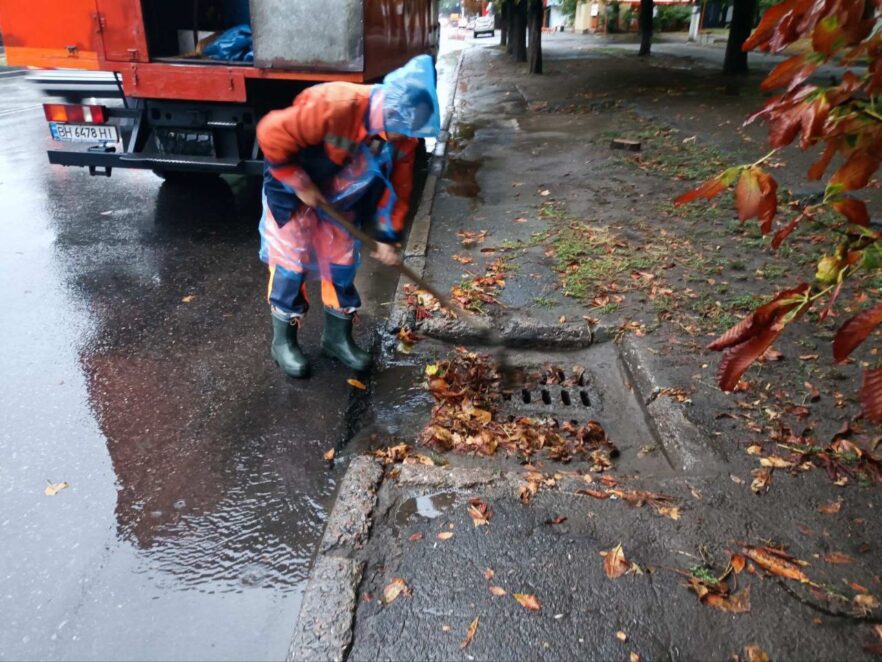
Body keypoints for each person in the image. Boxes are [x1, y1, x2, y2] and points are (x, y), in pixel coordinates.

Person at [256, 55, 440, 378]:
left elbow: (400, 187)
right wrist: (298, 182)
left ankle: (336, 339)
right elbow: (270, 132)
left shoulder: (402, 139)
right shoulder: (336, 104)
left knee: (341, 263)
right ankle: (283, 343)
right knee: (290, 263)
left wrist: (388, 237)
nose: (408, 138)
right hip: (294, 192)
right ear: (393, 110)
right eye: (406, 128)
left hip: (342, 202)